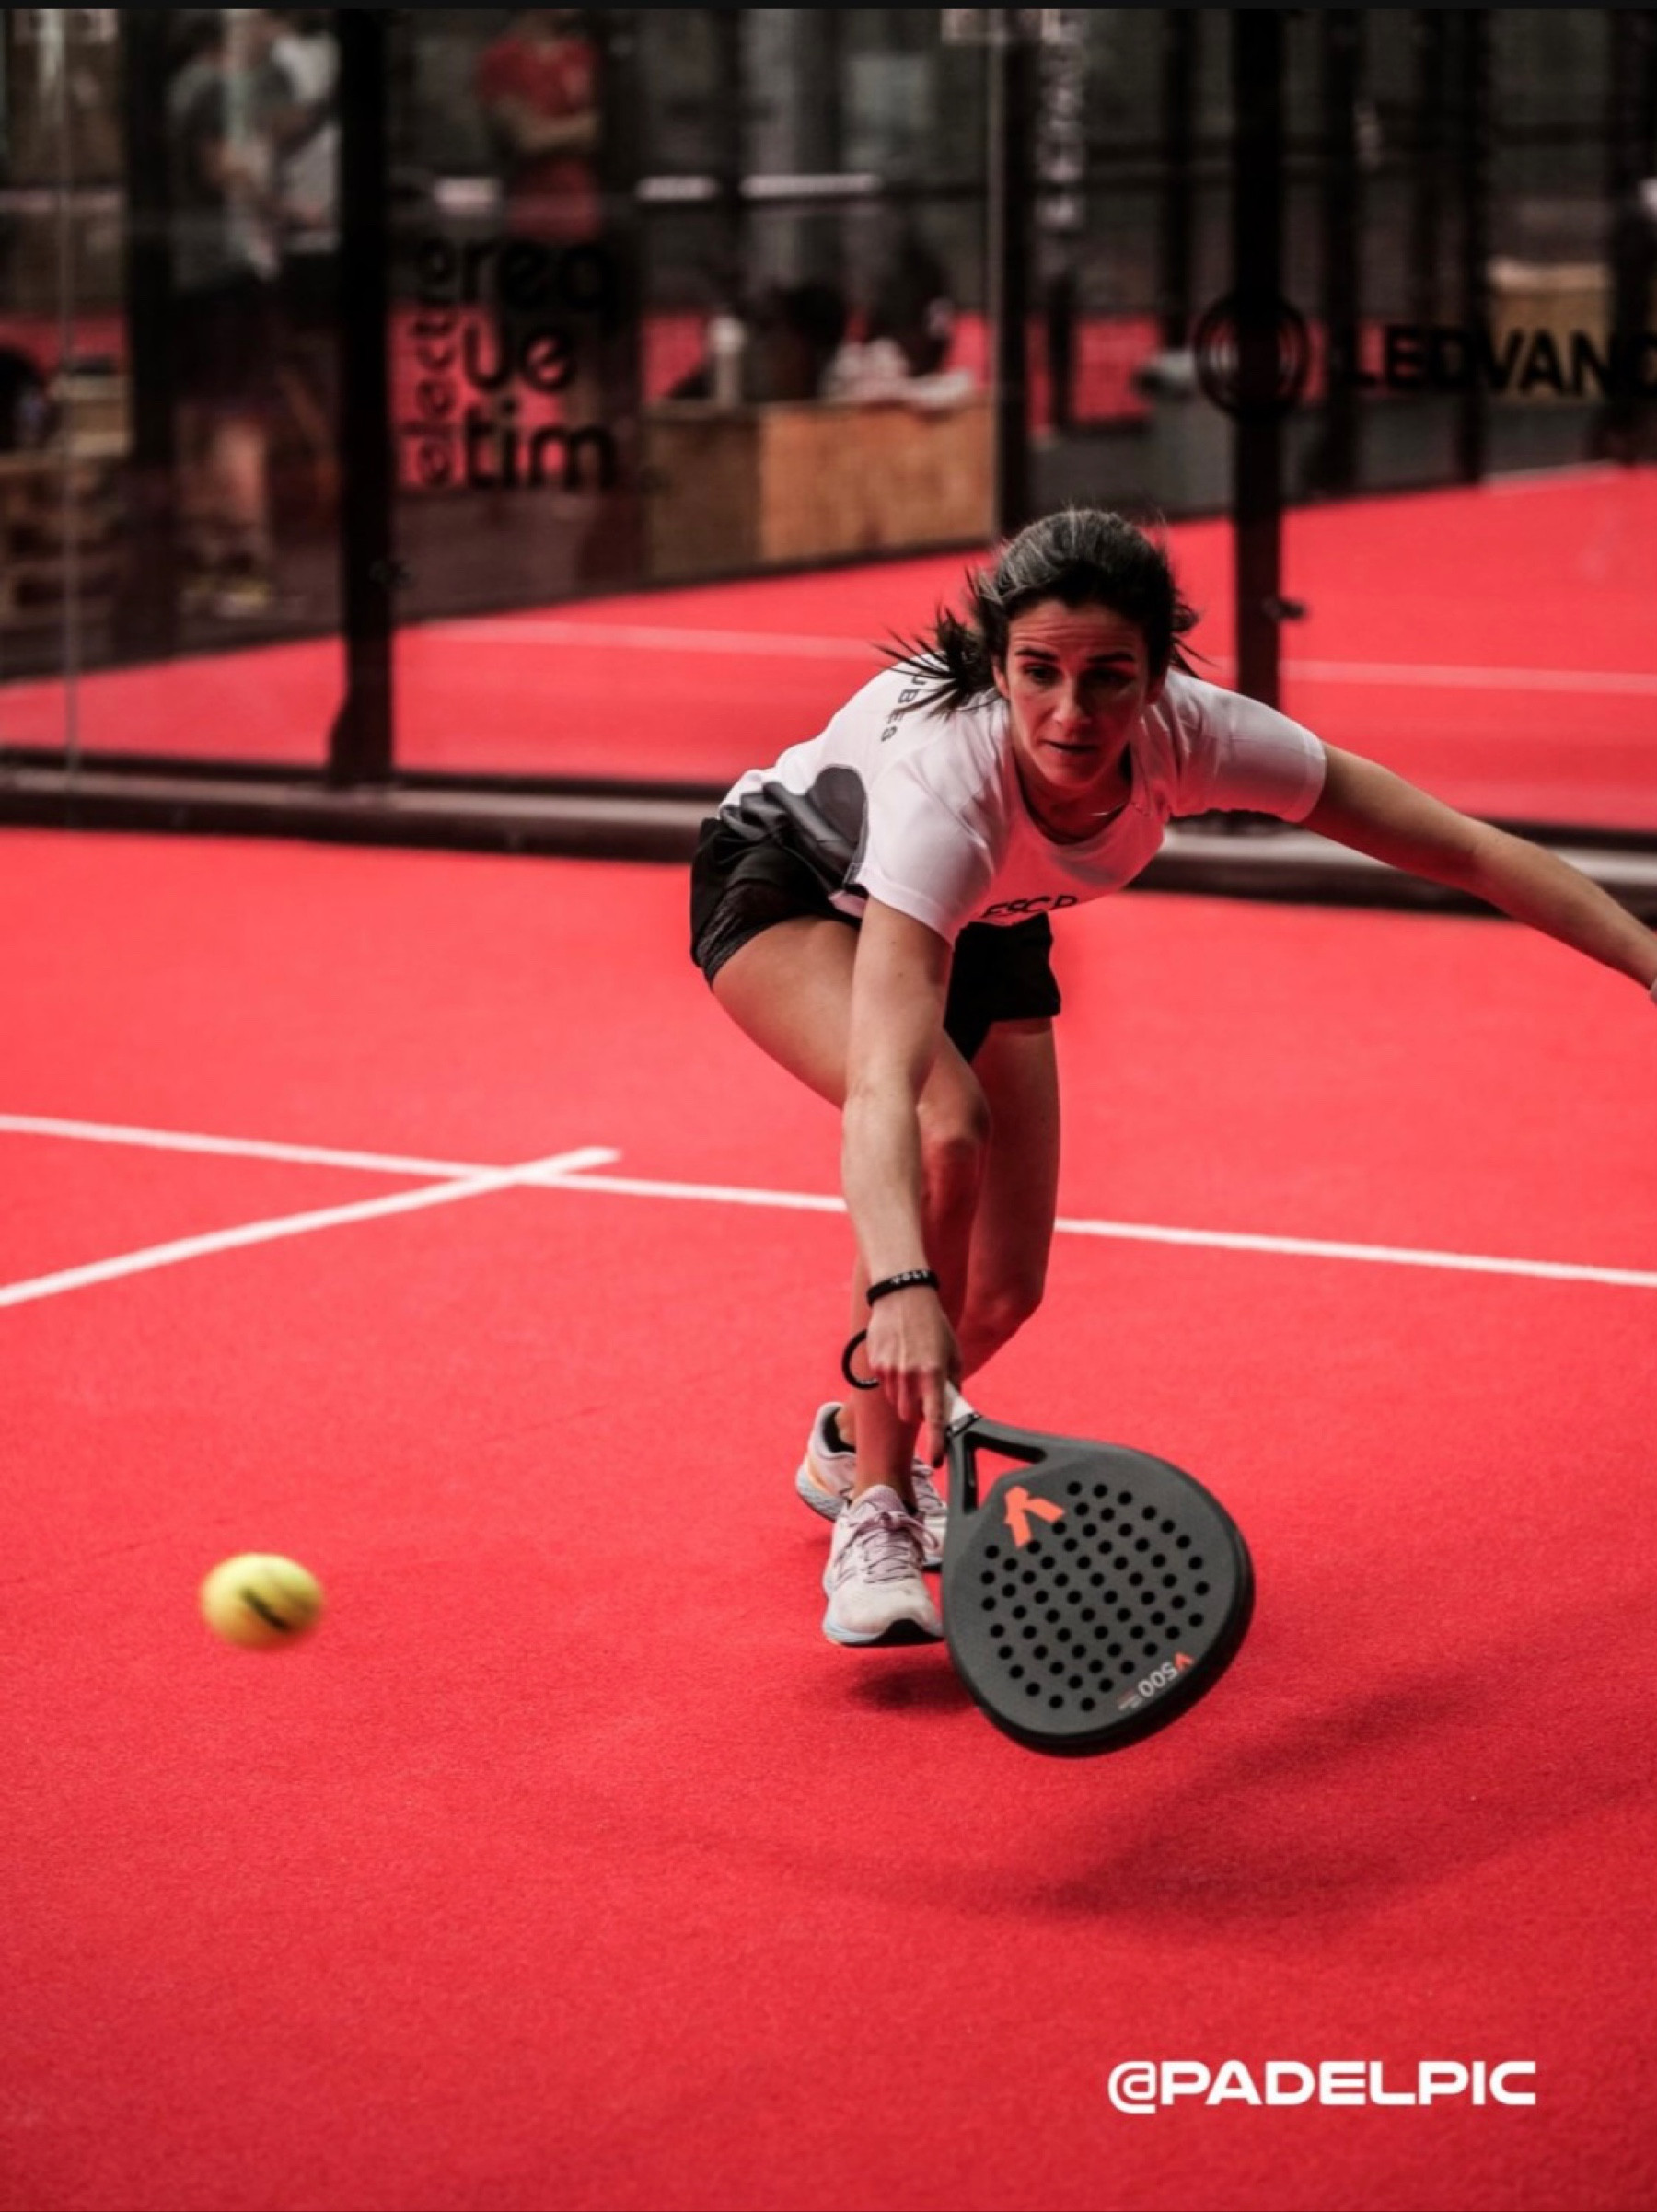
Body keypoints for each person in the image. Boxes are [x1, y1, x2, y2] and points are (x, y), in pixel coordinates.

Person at [689, 507, 1657, 1649]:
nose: (1071, 713)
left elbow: (1462, 847)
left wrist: (1649, 964)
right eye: (1039, 673)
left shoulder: (1203, 738)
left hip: (991, 914)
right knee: (948, 1124)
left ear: (1157, 679)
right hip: (798, 888)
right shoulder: (947, 789)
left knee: (1001, 1294)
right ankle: (878, 1511)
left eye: (1109, 677)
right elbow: (884, 1093)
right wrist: (900, 1287)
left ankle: (854, 1440)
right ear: (999, 667)